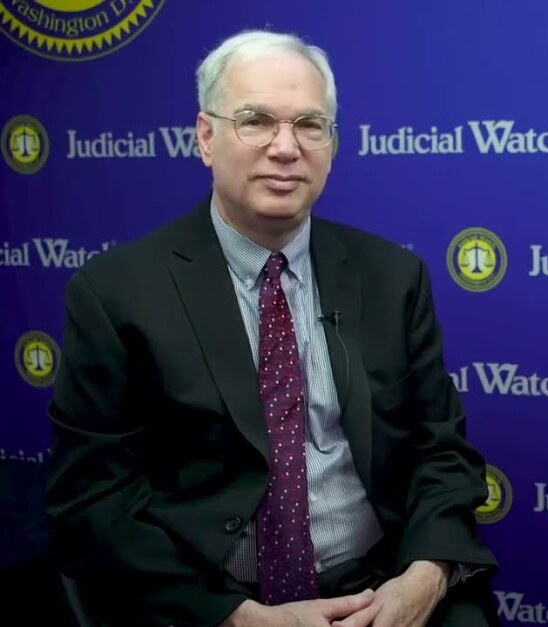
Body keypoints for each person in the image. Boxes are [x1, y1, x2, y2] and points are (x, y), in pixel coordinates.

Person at [44, 29, 498, 627]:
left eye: (310, 125)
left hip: (376, 587)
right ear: (206, 137)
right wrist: (235, 616)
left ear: (332, 145)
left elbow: (441, 452)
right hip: (208, 599)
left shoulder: (393, 277)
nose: (286, 148)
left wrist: (424, 578)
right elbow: (93, 501)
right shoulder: (116, 293)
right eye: (256, 121)